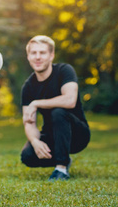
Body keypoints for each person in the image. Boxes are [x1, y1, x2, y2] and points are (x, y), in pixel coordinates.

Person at [20, 35, 90, 181]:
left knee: (58, 111)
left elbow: (70, 100)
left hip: (77, 134)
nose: (37, 57)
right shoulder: (28, 86)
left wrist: (36, 103)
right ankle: (63, 157)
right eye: (34, 53)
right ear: (28, 56)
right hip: (53, 134)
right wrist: (35, 141)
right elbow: (29, 121)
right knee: (27, 155)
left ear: (51, 55)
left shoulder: (64, 71)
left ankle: (61, 168)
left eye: (42, 53)